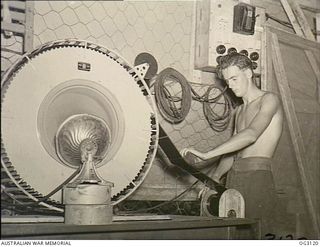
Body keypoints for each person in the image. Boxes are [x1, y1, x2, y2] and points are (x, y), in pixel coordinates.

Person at [180, 53, 284, 238]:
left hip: (257, 178)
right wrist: (215, 178)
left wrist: (207, 154)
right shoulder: (239, 111)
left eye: (234, 78)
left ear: (249, 73)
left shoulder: (269, 99)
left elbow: (251, 135)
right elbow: (232, 153)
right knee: (234, 235)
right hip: (235, 177)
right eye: (228, 81)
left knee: (257, 235)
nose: (231, 85)